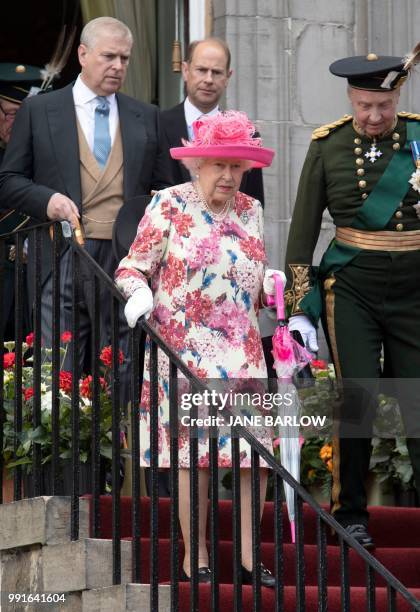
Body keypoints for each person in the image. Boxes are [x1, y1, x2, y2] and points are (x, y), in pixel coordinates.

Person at [115, 110, 283, 586]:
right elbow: (130, 268)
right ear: (197, 165)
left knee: (254, 454)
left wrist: (271, 289)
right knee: (196, 455)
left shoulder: (252, 210)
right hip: (184, 348)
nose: (228, 175)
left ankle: (251, 556)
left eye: (236, 166)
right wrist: (140, 294)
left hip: (243, 347)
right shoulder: (168, 204)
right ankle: (198, 553)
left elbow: (253, 280)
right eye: (218, 165)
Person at [285, 48, 420, 548]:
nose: (374, 116)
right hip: (354, 289)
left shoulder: (418, 137)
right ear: (351, 97)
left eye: (383, 105)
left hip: (414, 288)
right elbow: (301, 236)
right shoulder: (328, 146)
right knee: (355, 398)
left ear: (397, 95)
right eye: (364, 105)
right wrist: (300, 308)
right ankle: (351, 514)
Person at [0, 17, 172, 374]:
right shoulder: (39, 110)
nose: (118, 66)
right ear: (82, 54)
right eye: (109, 56)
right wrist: (49, 201)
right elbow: (9, 180)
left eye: (125, 59)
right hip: (60, 252)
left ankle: (123, 430)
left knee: (121, 366)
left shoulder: (147, 116)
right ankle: (59, 432)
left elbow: (163, 193)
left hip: (124, 259)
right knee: (58, 369)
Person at [0, 63, 45, 339]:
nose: (12, 123)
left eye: (21, 115)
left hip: (37, 275)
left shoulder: (44, 157)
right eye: (8, 114)